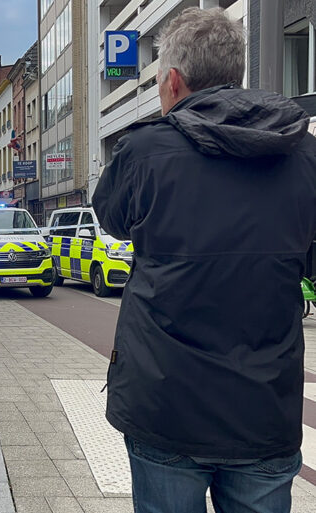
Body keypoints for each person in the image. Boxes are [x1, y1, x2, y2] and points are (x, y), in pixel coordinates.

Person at [91, 8, 316, 512]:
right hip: (264, 408)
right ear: (235, 74)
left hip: (166, 404)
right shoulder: (305, 155)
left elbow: (114, 220)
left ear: (172, 81)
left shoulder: (143, 153)